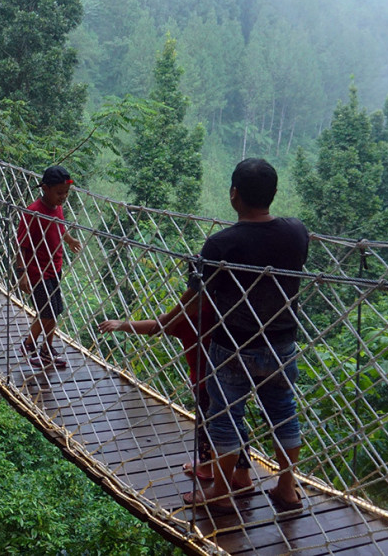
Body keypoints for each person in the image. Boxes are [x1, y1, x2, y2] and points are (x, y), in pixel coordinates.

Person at [181, 158, 309, 516]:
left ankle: (221, 493)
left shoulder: (221, 244)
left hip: (233, 346)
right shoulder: (297, 231)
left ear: (234, 194)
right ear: (274, 194)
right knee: (283, 414)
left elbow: (197, 297)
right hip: (281, 344)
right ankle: (286, 489)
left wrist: (165, 318)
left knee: (224, 418)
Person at [99, 296, 251, 489]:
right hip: (237, 380)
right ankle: (243, 473)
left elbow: (156, 327)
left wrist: (122, 325)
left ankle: (206, 467)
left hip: (206, 383)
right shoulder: (233, 313)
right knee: (236, 423)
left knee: (207, 425)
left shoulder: (195, 316)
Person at [15, 166, 82, 369]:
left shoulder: (57, 207)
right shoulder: (33, 212)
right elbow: (21, 245)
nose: (63, 197)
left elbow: (59, 226)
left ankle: (46, 349)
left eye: (66, 193)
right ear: (45, 188)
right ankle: (28, 345)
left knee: (55, 311)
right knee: (47, 313)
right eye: (59, 193)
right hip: (37, 272)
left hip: (55, 268)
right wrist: (22, 272)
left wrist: (69, 240)